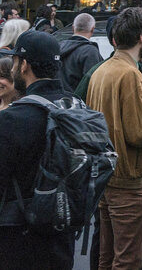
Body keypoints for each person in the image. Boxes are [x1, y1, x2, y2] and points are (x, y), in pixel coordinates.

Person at [86, 8, 142, 270]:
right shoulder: (130, 73)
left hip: (107, 177)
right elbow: (141, 133)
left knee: (107, 258)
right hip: (128, 181)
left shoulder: (103, 70)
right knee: (128, 260)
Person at [0, 31, 82, 269]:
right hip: (64, 231)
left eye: (15, 61)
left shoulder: (13, 118)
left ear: (24, 65)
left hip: (18, 236)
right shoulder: (76, 106)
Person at [58, 13, 103, 91]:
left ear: (73, 28)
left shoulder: (58, 47)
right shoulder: (90, 51)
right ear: (92, 29)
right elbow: (92, 85)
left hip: (58, 100)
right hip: (79, 101)